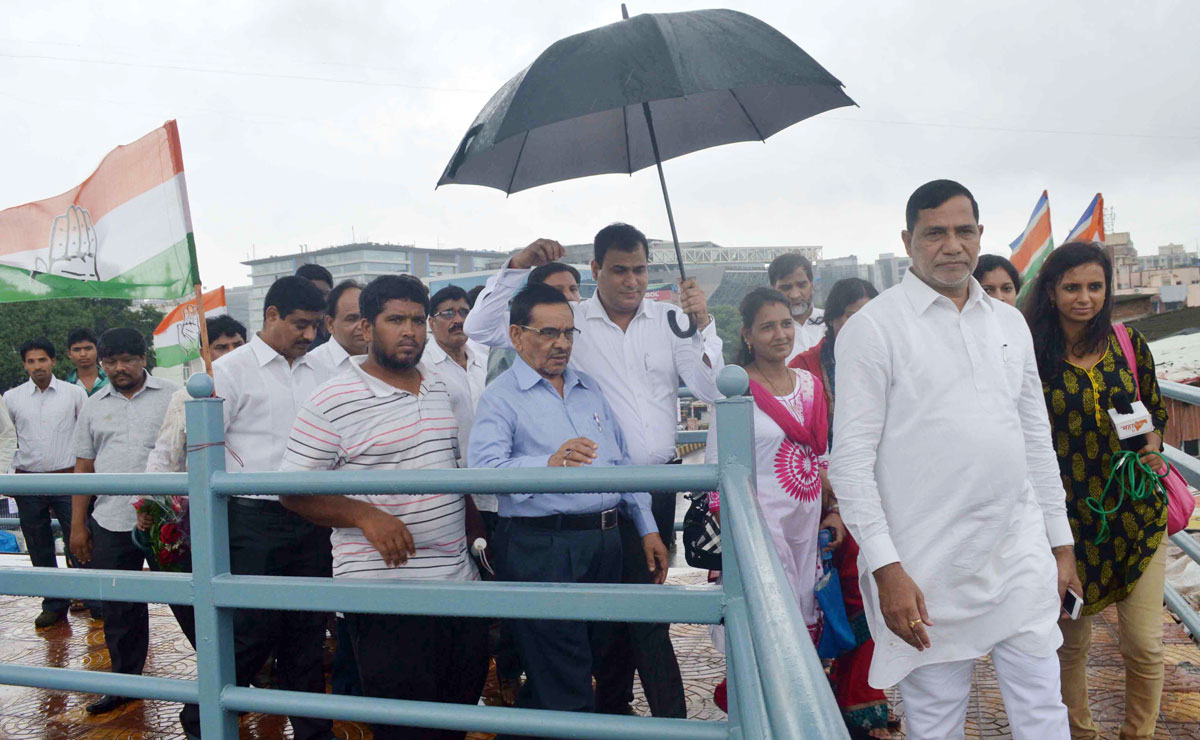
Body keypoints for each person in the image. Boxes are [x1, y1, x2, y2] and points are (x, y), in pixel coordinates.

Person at [828, 180, 1078, 739]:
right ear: (907, 240)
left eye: (964, 231)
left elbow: (1035, 440)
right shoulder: (874, 329)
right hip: (926, 570)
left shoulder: (1008, 322)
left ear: (981, 235)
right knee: (936, 725)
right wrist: (887, 569)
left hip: (1018, 554)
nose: (952, 245)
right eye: (934, 232)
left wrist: (1059, 545)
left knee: (1043, 712)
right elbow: (849, 462)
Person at [466, 226, 720, 717]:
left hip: (647, 493)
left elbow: (712, 389)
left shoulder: (669, 321)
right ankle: (614, 713)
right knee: (574, 649)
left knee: (636, 623)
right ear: (596, 271)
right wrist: (518, 264)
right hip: (557, 521)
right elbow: (481, 329)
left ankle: (651, 720)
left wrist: (703, 323)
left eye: (641, 269)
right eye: (620, 270)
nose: (632, 281)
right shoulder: (564, 326)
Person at [280, 274, 487, 740]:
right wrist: (364, 515)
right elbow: (292, 490)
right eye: (396, 320)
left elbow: (455, 470)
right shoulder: (332, 398)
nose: (409, 330)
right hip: (385, 590)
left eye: (417, 319)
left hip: (458, 585)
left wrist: (478, 543)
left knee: (459, 715)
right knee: (406, 727)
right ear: (368, 327)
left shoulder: (438, 388)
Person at [468, 282, 668, 731]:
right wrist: (548, 463)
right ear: (517, 336)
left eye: (569, 333)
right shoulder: (501, 397)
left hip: (604, 541)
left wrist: (646, 526)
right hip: (543, 545)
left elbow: (618, 461)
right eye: (548, 332)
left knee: (580, 663)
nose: (561, 343)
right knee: (567, 678)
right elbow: (483, 469)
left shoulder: (588, 388)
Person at [1025, 242, 1169, 739]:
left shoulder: (1129, 344)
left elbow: (1153, 412)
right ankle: (1080, 734)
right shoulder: (1032, 355)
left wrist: (1151, 443)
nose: (1083, 298)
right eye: (1071, 287)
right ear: (1051, 291)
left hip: (1137, 518)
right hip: (1065, 531)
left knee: (1146, 645)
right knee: (1070, 647)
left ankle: (1139, 735)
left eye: (1094, 287)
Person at [212, 275, 334, 740]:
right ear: (270, 316)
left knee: (306, 632)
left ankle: (312, 731)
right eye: (300, 325)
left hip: (313, 515)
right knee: (252, 630)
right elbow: (201, 449)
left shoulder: (321, 371)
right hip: (253, 519)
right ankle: (202, 716)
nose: (308, 336)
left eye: (315, 327)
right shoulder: (230, 371)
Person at [789, 279, 891, 738]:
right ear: (830, 319)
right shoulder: (805, 369)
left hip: (880, 495)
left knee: (873, 600)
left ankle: (863, 701)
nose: (860, 323)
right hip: (824, 503)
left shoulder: (888, 356)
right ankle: (818, 697)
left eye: (869, 312)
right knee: (829, 603)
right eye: (850, 313)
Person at [705, 288, 834, 649]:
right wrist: (735, 531)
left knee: (806, 603)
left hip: (806, 521)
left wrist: (834, 510)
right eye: (767, 328)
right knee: (772, 611)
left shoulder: (809, 384)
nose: (781, 335)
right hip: (762, 523)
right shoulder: (737, 392)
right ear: (746, 334)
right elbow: (715, 469)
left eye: (786, 325)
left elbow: (820, 453)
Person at [68, 328, 182, 716]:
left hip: (171, 521)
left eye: (127, 360)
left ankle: (232, 677)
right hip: (112, 520)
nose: (119, 368)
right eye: (110, 362)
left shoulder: (174, 397)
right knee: (120, 609)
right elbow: (83, 466)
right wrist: (77, 525)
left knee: (191, 602)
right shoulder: (93, 404)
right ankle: (125, 685)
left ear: (144, 358)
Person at [3, 338, 89, 628]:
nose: (37, 366)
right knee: (39, 546)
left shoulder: (74, 393)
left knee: (78, 539)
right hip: (28, 481)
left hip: (68, 478)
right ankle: (53, 603)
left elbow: (87, 436)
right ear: (24, 364)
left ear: (53, 361)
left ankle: (91, 598)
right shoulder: (11, 398)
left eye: (42, 360)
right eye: (31, 361)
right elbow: (5, 438)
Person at [145, 316, 248, 475]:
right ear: (204, 353)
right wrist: (151, 496)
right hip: (205, 489)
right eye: (221, 348)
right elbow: (165, 454)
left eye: (237, 345)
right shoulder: (185, 397)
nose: (231, 353)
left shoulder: (264, 385)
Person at [468, 251, 582, 385]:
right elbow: (477, 328)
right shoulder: (517, 338)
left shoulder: (589, 322)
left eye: (573, 289)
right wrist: (517, 265)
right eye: (557, 290)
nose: (569, 296)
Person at [768, 252, 824, 361]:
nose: (795, 295)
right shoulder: (768, 333)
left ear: (812, 286)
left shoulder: (831, 323)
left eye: (801, 285)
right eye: (786, 288)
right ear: (773, 291)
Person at [307, 279, 366, 377]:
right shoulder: (311, 365)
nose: (361, 326)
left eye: (366, 318)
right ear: (330, 324)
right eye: (351, 319)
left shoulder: (385, 359)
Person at [297, 263, 334, 349]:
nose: (320, 299)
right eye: (314, 293)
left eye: (324, 294)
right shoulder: (292, 335)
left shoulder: (339, 328)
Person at [66, 327, 109, 396]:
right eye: (77, 350)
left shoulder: (111, 381)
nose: (83, 354)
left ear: (97, 349)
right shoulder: (65, 386)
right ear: (69, 354)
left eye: (88, 348)